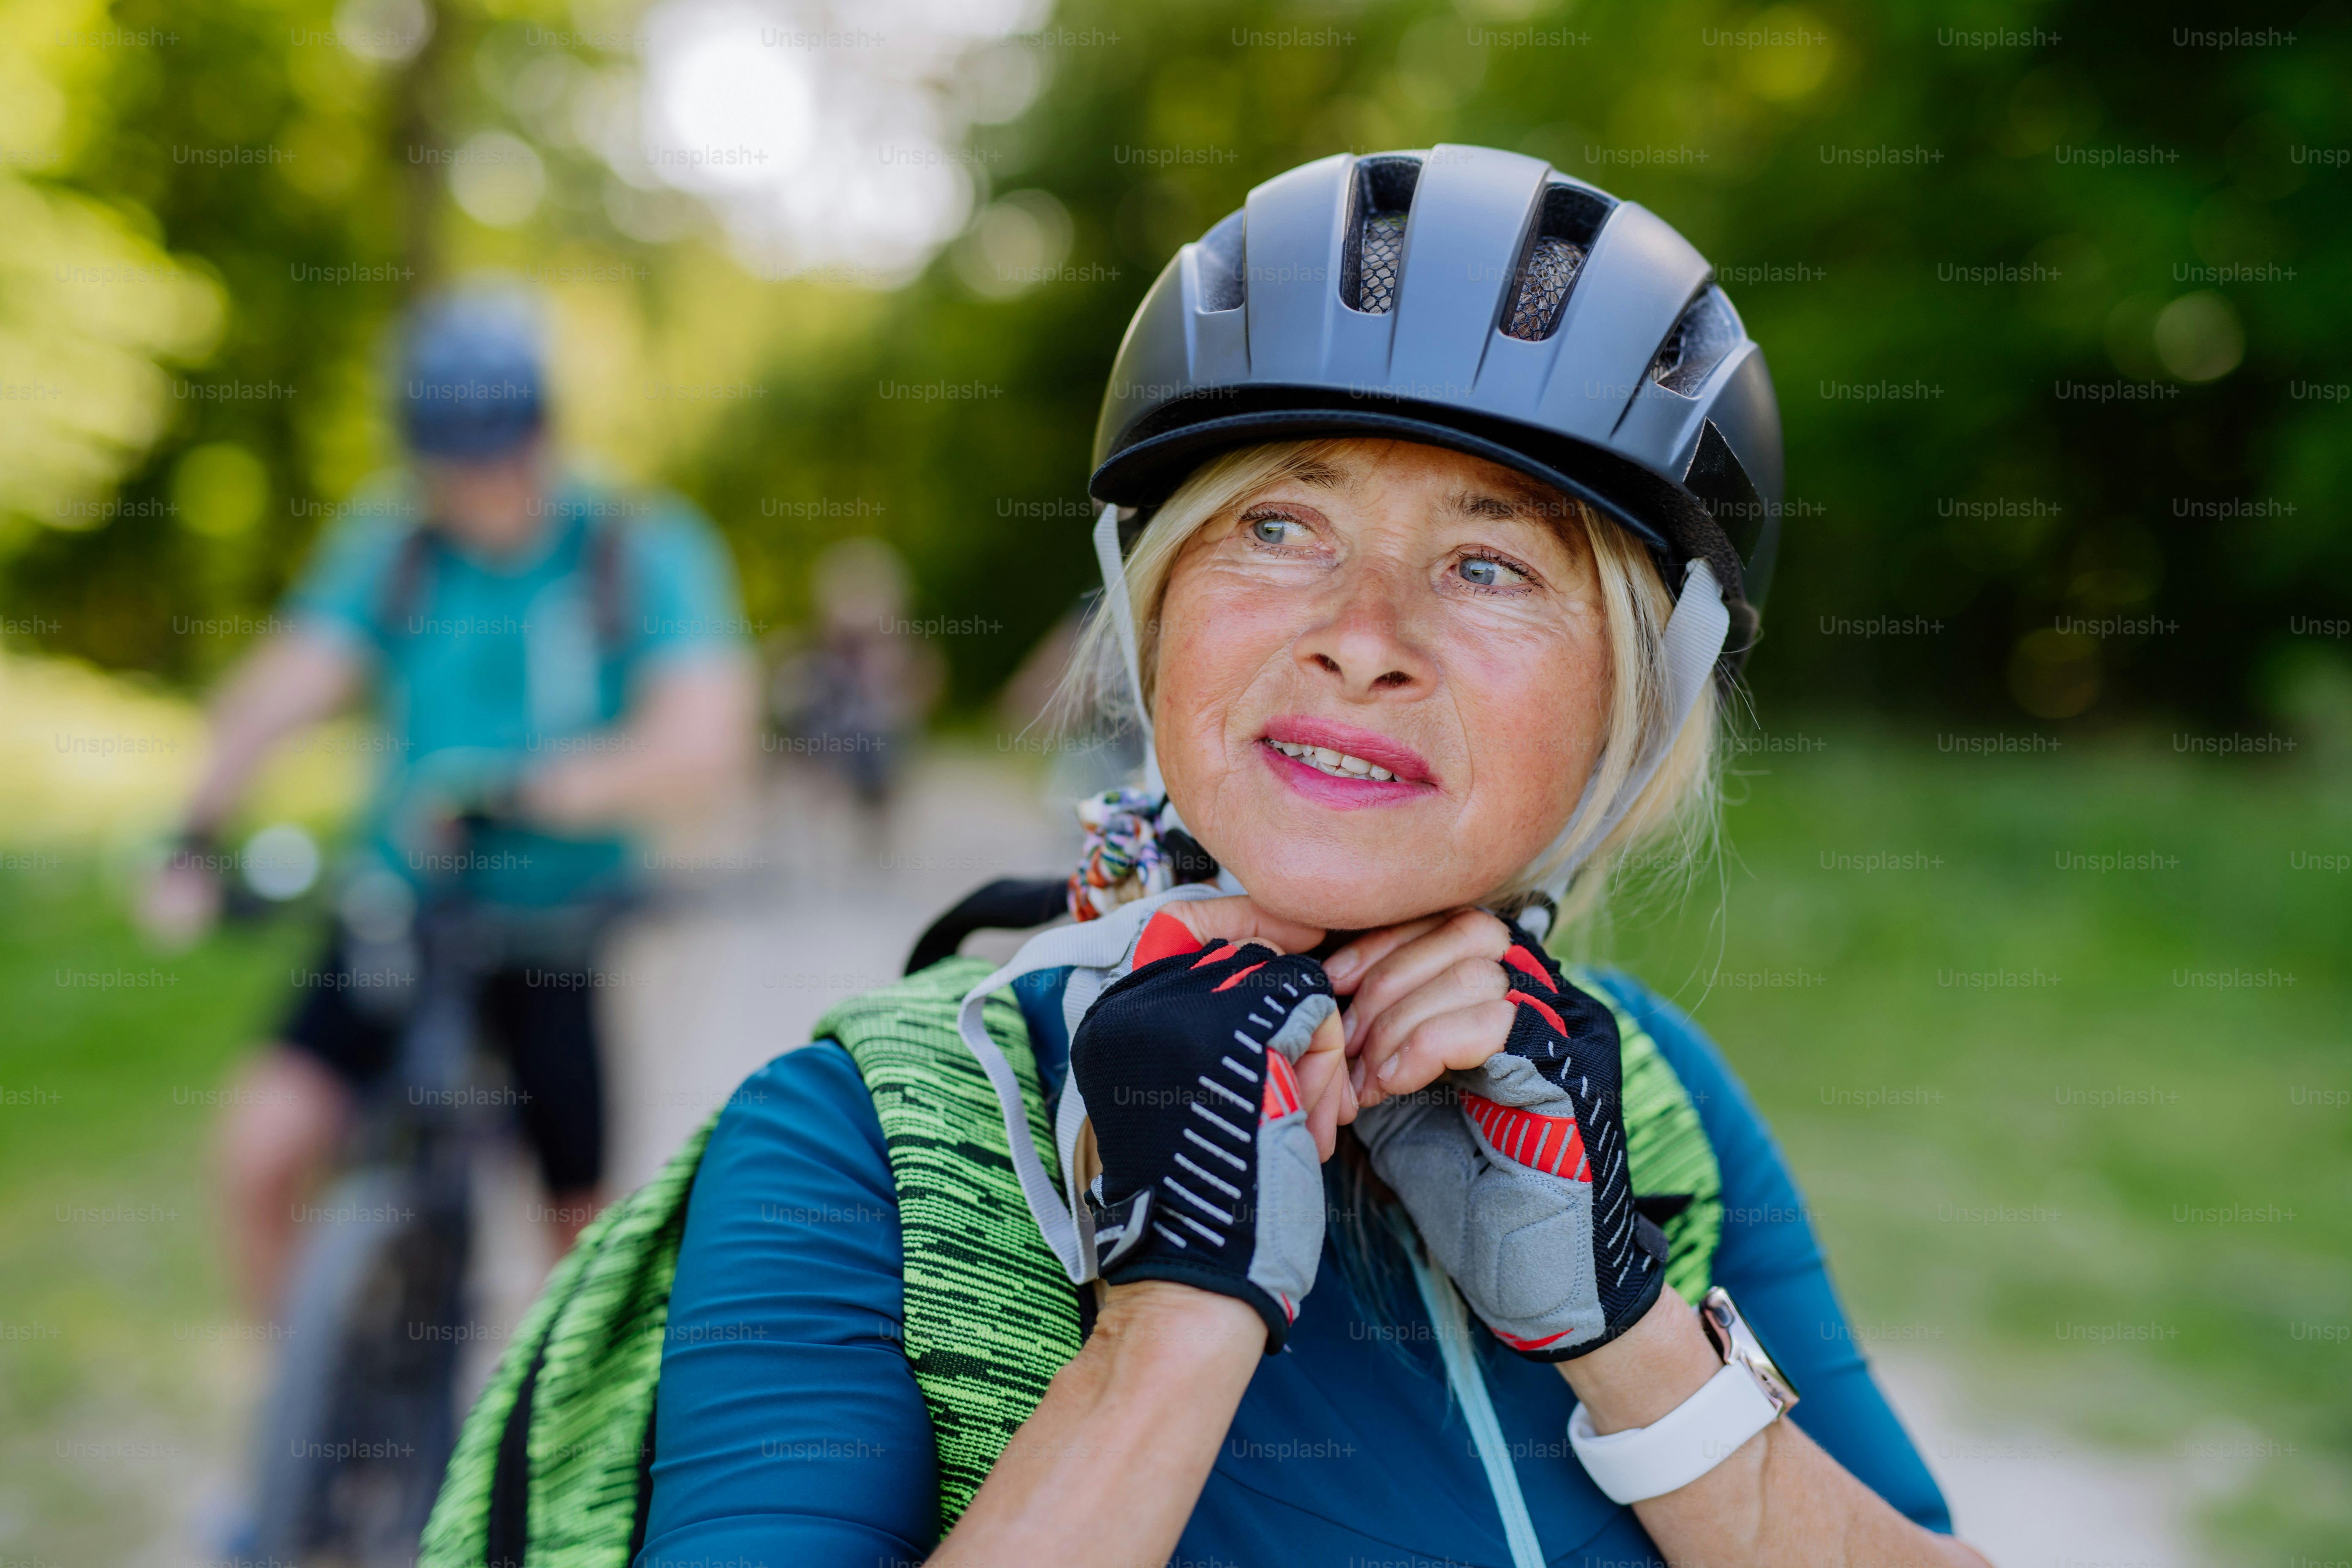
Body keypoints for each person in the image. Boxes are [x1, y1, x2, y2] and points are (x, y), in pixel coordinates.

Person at [619, 147, 1990, 1566]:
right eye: (1277, 526)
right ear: (1149, 608)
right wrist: (1164, 1325)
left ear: (1632, 708)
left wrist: (1627, 1330)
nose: (1360, 634)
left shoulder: (1650, 1097)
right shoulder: (859, 1141)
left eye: (1488, 566)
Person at [139, 283, 758, 1320]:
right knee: (259, 1152)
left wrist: (529, 788)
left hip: (550, 928)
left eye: (499, 452)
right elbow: (285, 684)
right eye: (452, 460)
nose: (479, 484)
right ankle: (301, 1449)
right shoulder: (397, 545)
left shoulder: (638, 547)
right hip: (397, 905)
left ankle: (561, 1465)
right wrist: (192, 831)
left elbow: (705, 742)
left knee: (581, 1233)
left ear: (543, 429)